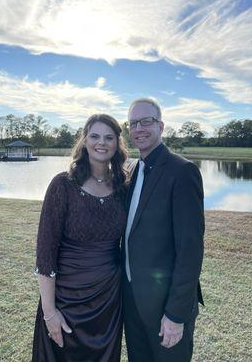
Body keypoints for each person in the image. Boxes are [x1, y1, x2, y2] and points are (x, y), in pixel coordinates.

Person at [32, 114, 127, 362]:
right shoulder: (63, 185)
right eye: (95, 136)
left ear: (117, 143)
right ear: (84, 141)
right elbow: (45, 253)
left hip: (108, 301)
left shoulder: (123, 187)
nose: (102, 143)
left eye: (109, 137)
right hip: (66, 300)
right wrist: (50, 312)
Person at [123, 98, 205, 362]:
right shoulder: (133, 170)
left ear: (161, 126)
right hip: (132, 302)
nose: (139, 128)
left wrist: (176, 315)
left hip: (165, 309)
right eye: (133, 123)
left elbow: (190, 250)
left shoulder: (183, 172)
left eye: (146, 121)